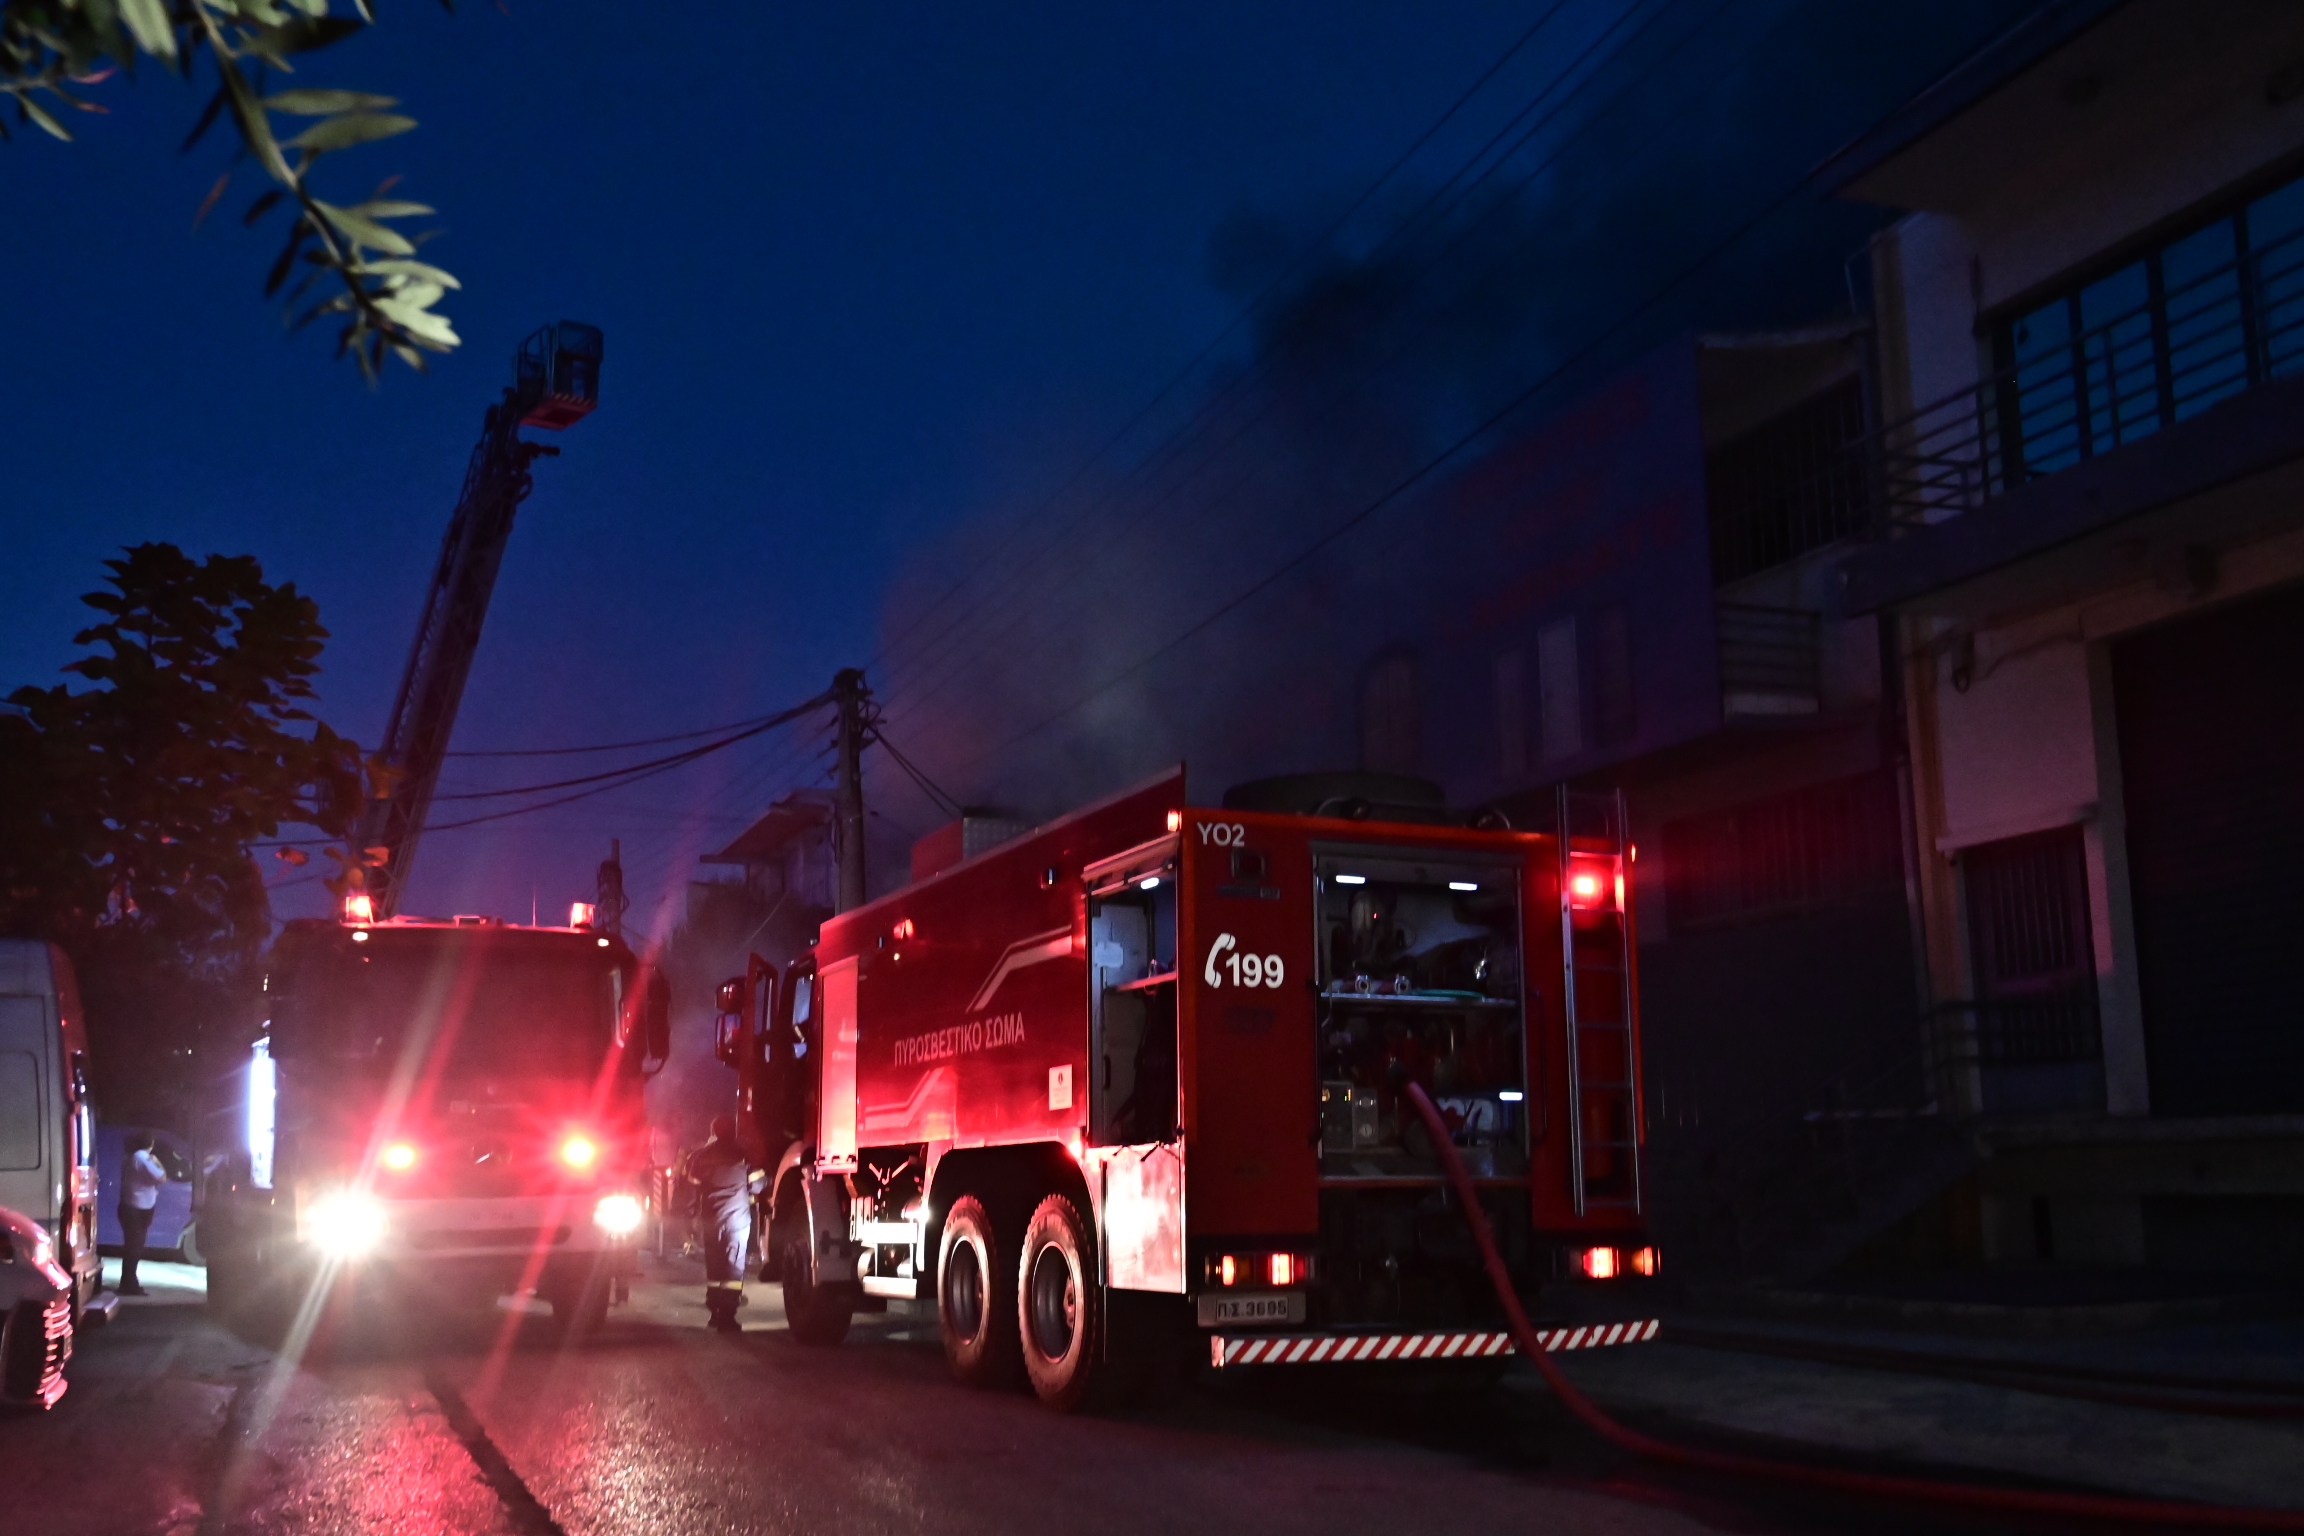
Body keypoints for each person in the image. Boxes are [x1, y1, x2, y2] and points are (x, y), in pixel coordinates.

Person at [683, 1116, 762, 1333]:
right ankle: (728, 1316)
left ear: (714, 1132)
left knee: (714, 1266)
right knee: (733, 1267)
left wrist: (691, 1215)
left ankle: (715, 1313)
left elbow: (692, 1190)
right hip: (737, 1219)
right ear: (733, 1131)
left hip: (711, 1220)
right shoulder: (744, 1154)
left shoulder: (701, 1156)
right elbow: (758, 1185)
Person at [118, 1131, 167, 1296]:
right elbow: (162, 1178)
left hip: (131, 1207)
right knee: (135, 1248)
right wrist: (157, 1161)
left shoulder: (132, 1157)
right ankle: (129, 1284)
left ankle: (127, 1282)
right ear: (151, 1143)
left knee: (132, 1247)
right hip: (138, 1209)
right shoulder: (143, 1157)